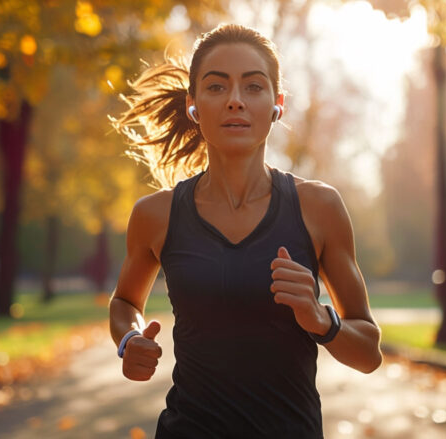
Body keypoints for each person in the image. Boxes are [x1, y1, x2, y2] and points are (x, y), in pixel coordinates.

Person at [109, 23, 382, 438]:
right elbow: (124, 301)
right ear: (193, 104)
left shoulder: (319, 208)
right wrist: (129, 340)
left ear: (278, 105)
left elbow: (369, 352)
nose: (235, 101)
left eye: (253, 87)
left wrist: (320, 319)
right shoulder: (156, 215)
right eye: (217, 87)